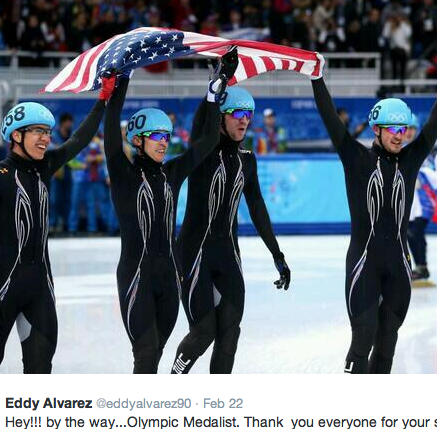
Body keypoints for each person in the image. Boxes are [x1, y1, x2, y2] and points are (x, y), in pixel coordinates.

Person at [310, 52, 437, 374]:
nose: (400, 134)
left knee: (387, 349)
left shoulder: (410, 160)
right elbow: (329, 118)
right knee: (362, 342)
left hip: (398, 267)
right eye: (392, 128)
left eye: (404, 128)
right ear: (376, 129)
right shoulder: (355, 157)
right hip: (363, 264)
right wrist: (317, 78)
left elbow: (434, 125)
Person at [103, 50, 235, 374]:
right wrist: (123, 80)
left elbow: (205, 143)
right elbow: (109, 136)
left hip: (169, 279)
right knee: (146, 356)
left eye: (167, 136)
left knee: (155, 358)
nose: (164, 142)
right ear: (137, 140)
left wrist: (215, 91)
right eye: (157, 136)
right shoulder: (124, 175)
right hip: (136, 277)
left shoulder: (171, 173)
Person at [0, 82, 112, 374]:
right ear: (16, 135)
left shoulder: (45, 166)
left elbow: (80, 140)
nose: (46, 139)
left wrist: (104, 98)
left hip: (41, 289)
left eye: (47, 132)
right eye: (38, 132)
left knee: (40, 370)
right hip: (2, 288)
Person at [171, 79, 291, 375]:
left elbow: (258, 207)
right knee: (204, 331)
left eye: (248, 115)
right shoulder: (202, 152)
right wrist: (217, 81)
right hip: (194, 251)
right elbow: (202, 121)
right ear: (220, 117)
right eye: (237, 114)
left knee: (229, 333)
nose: (245, 121)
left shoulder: (247, 161)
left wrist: (277, 254)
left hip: (228, 253)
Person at [405, 114, 437, 282]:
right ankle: (418, 267)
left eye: (412, 129)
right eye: (406, 128)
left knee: (417, 231)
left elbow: (436, 175)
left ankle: (423, 266)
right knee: (408, 234)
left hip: (424, 200)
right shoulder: (397, 148)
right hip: (409, 201)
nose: (409, 132)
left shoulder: (425, 149)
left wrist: (421, 180)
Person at [49, 112, 74, 233]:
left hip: (69, 171)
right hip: (56, 171)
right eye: (68, 122)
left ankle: (65, 224)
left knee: (67, 199)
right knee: (54, 200)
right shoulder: (53, 135)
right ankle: (52, 224)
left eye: (71, 122)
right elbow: (51, 149)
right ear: (63, 123)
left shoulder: (72, 135)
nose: (70, 125)